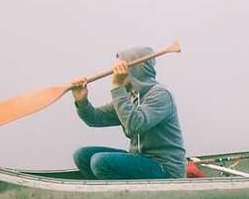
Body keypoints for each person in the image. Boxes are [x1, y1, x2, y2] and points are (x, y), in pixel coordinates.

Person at [71, 46, 186, 179]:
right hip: (140, 159)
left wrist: (117, 87)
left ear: (135, 70)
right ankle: (104, 193)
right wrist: (82, 101)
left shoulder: (160, 95)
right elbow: (95, 119)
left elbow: (135, 125)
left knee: (100, 161)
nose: (114, 74)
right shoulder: (130, 96)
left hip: (165, 168)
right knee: (82, 155)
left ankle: (119, 196)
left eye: (120, 70)